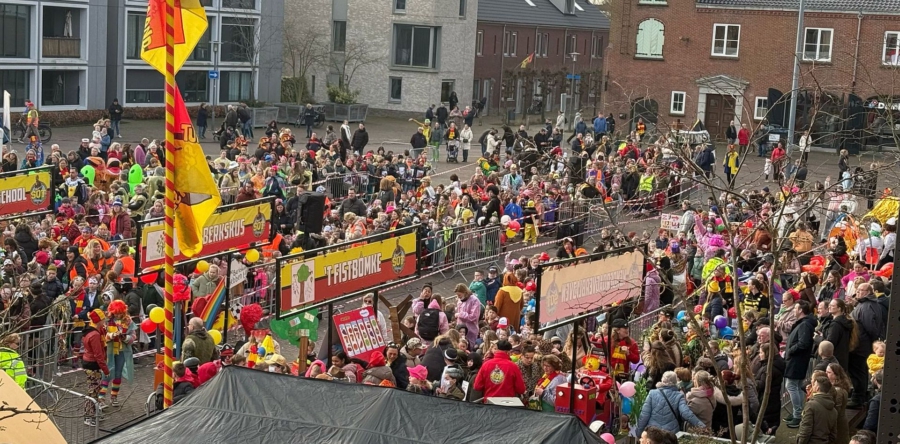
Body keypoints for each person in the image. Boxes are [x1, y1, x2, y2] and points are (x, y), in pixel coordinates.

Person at [635, 371, 704, 436]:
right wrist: (701, 426)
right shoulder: (679, 396)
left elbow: (644, 414)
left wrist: (639, 432)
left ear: (662, 380)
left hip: (653, 433)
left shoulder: (652, 393)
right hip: (670, 434)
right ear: (675, 382)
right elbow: (686, 413)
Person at [784, 300, 817, 428]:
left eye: (795, 309)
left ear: (800, 310)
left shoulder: (804, 325)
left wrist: (791, 350)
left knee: (791, 385)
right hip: (797, 359)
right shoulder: (804, 323)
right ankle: (798, 412)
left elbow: (803, 343)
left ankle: (798, 414)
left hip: (797, 360)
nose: (793, 311)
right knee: (797, 386)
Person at [100, 300, 136, 407]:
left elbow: (133, 336)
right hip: (109, 351)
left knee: (118, 374)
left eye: (120, 312)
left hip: (122, 351)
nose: (118, 315)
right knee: (106, 374)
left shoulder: (128, 321)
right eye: (116, 313)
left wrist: (125, 337)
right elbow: (102, 335)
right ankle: (101, 398)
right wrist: (111, 336)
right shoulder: (106, 320)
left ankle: (114, 396)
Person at [81, 309, 109, 426]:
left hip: (89, 362)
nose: (104, 321)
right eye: (103, 319)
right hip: (93, 365)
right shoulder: (95, 335)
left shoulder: (90, 332)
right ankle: (88, 416)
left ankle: (93, 413)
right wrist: (105, 369)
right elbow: (98, 354)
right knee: (93, 391)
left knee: (95, 390)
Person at [796, 375, 837, 444]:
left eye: (814, 384)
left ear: (817, 388)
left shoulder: (811, 405)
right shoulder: (833, 410)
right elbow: (833, 433)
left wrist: (800, 442)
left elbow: (806, 428)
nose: (812, 386)